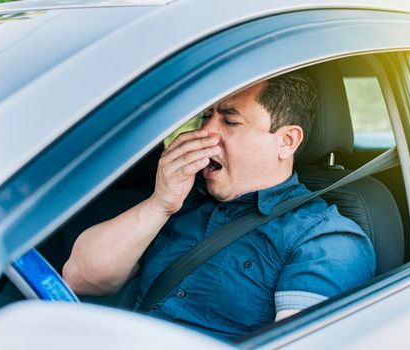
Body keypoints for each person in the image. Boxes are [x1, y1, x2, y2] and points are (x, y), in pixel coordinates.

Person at [63, 73, 375, 339]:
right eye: (205, 116)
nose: (206, 133)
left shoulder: (325, 239)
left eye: (229, 120)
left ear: (286, 141)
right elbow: (80, 278)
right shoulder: (182, 200)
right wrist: (159, 205)